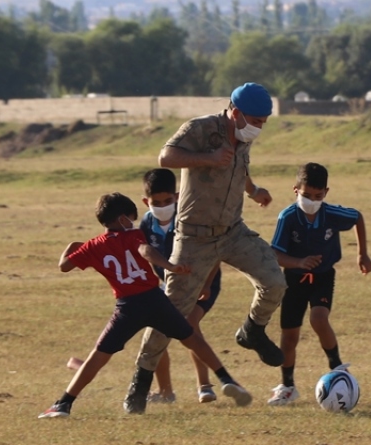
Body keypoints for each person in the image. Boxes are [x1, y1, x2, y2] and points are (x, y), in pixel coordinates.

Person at [123, 82, 287, 415]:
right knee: (172, 313)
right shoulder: (201, 129)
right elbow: (165, 157)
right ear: (236, 112)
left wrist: (254, 191)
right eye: (255, 120)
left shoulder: (242, 137)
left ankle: (252, 331)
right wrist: (207, 158)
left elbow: (239, 170)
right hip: (194, 237)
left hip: (233, 231)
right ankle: (140, 382)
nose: (259, 127)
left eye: (264, 122)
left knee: (275, 282)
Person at [39, 192, 251, 418]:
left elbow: (64, 266)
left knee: (98, 356)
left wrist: (73, 245)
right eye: (131, 218)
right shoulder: (134, 236)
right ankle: (227, 379)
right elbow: (145, 251)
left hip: (127, 308)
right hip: (154, 300)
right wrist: (168, 265)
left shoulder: (93, 247)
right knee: (192, 339)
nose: (133, 223)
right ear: (123, 219)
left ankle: (64, 404)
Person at [266, 162, 371, 406]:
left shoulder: (332, 214)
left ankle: (337, 367)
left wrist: (362, 254)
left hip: (323, 277)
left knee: (318, 319)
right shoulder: (288, 217)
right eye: (306, 195)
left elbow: (357, 218)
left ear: (326, 192)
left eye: (317, 196)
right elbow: (275, 253)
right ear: (295, 191)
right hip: (293, 280)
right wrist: (299, 262)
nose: (311, 201)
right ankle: (287, 386)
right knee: (289, 337)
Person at [137, 168, 224, 405]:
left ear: (177, 196)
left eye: (168, 201)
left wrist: (206, 283)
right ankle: (166, 392)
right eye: (156, 202)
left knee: (189, 325)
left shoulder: (190, 217)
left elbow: (215, 252)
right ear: (147, 201)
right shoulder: (146, 224)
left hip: (203, 283)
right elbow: (146, 255)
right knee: (156, 333)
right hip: (171, 287)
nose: (163, 205)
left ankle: (205, 386)